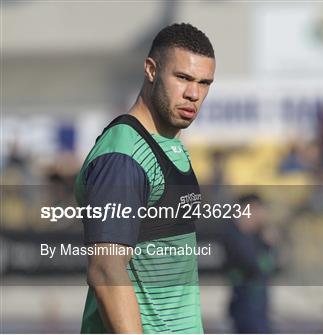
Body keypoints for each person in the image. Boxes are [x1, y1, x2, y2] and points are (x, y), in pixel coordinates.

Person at [76, 23, 215, 333]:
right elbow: (106, 269)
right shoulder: (123, 155)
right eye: (182, 78)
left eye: (204, 83)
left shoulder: (169, 143)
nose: (194, 93)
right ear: (151, 70)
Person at [223, 194, 277, 333]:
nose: (262, 216)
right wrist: (267, 246)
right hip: (245, 306)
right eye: (258, 210)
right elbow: (254, 266)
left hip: (259, 307)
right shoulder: (233, 236)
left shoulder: (256, 236)